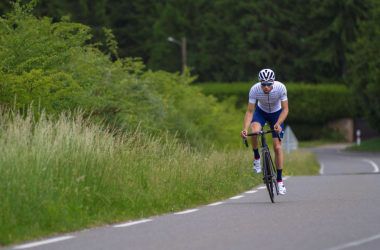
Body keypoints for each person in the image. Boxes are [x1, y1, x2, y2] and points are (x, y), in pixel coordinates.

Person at [240, 68, 289, 195]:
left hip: (276, 115)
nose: (266, 87)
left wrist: (278, 123)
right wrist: (245, 129)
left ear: (273, 82)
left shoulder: (281, 88)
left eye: (269, 84)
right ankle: (256, 157)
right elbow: (250, 111)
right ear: (260, 83)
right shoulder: (255, 89)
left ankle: (279, 181)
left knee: (277, 147)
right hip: (261, 113)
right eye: (263, 84)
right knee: (255, 131)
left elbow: (285, 109)